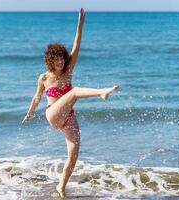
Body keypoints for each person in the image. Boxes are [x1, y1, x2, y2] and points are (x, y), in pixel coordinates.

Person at [22, 8, 119, 198]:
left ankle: (61, 187)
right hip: (52, 114)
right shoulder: (44, 77)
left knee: (73, 156)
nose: (60, 61)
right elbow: (37, 98)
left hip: (68, 117)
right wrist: (30, 113)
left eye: (61, 58)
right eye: (56, 59)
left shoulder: (68, 70)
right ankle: (101, 92)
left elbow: (76, 44)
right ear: (50, 60)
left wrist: (80, 24)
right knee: (74, 92)